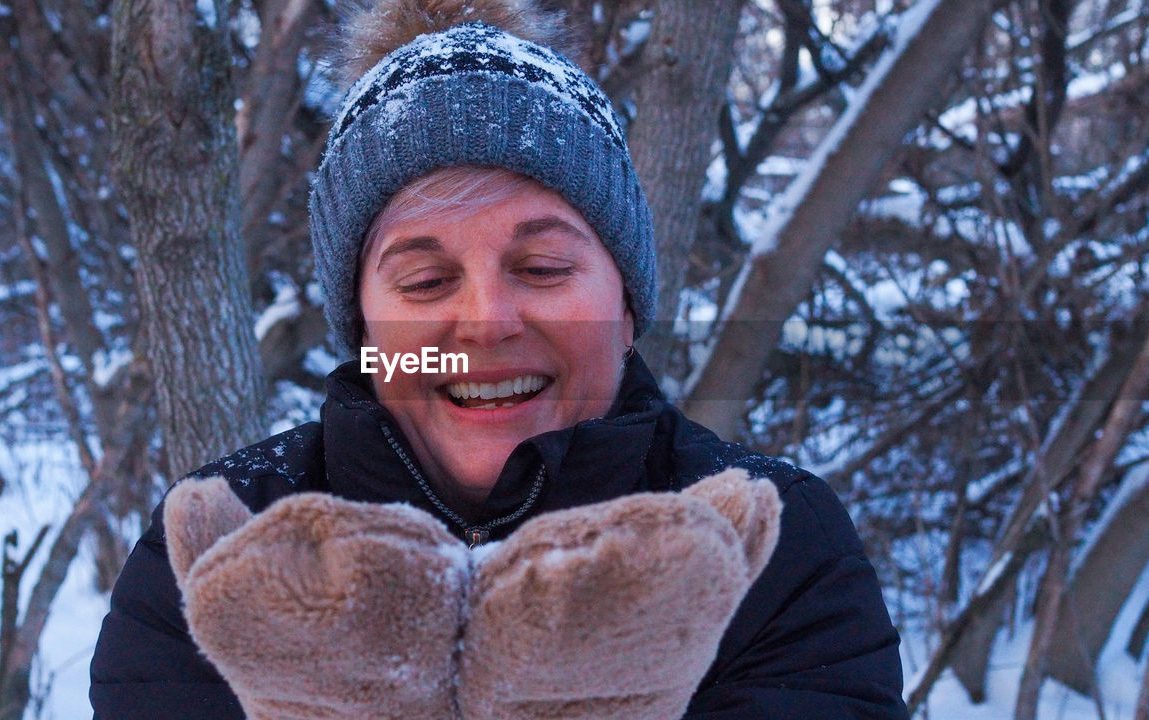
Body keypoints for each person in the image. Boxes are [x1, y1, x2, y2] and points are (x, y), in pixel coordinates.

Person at [89, 1, 908, 718]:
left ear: (626, 307)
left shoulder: (772, 548)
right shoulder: (221, 554)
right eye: (426, 279)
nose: (486, 322)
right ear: (365, 330)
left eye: (544, 269)